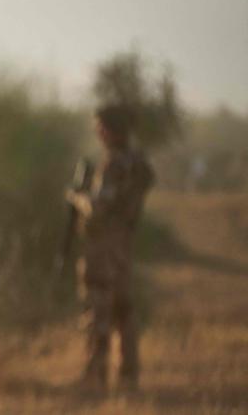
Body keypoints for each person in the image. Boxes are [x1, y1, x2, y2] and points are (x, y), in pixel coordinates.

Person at [65, 104, 154, 392]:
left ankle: (95, 375)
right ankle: (128, 375)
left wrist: (76, 197)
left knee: (98, 307)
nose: (96, 131)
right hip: (124, 243)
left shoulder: (115, 163)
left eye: (99, 126)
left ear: (109, 129)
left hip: (103, 246)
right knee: (124, 309)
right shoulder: (138, 162)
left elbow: (97, 208)